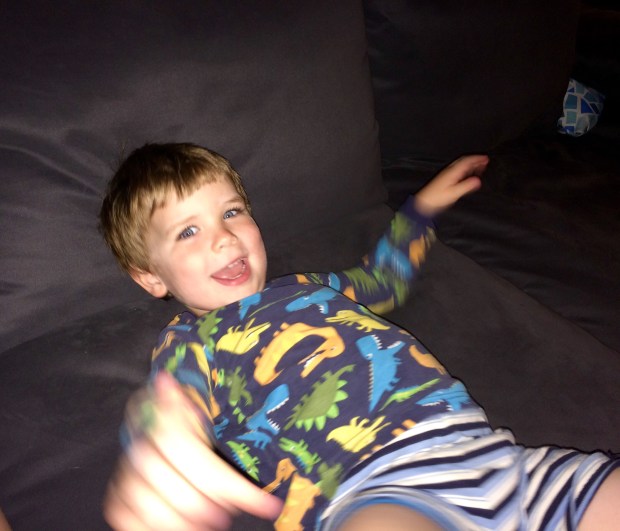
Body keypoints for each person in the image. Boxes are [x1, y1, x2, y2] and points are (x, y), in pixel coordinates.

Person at [100, 143, 619, 530]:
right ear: (151, 277)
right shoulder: (190, 339)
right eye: (188, 231)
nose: (223, 236)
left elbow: (383, 281)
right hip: (368, 489)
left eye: (231, 211)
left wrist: (420, 212)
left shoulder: (307, 287)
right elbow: (172, 400)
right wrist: (161, 435)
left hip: (492, 458)